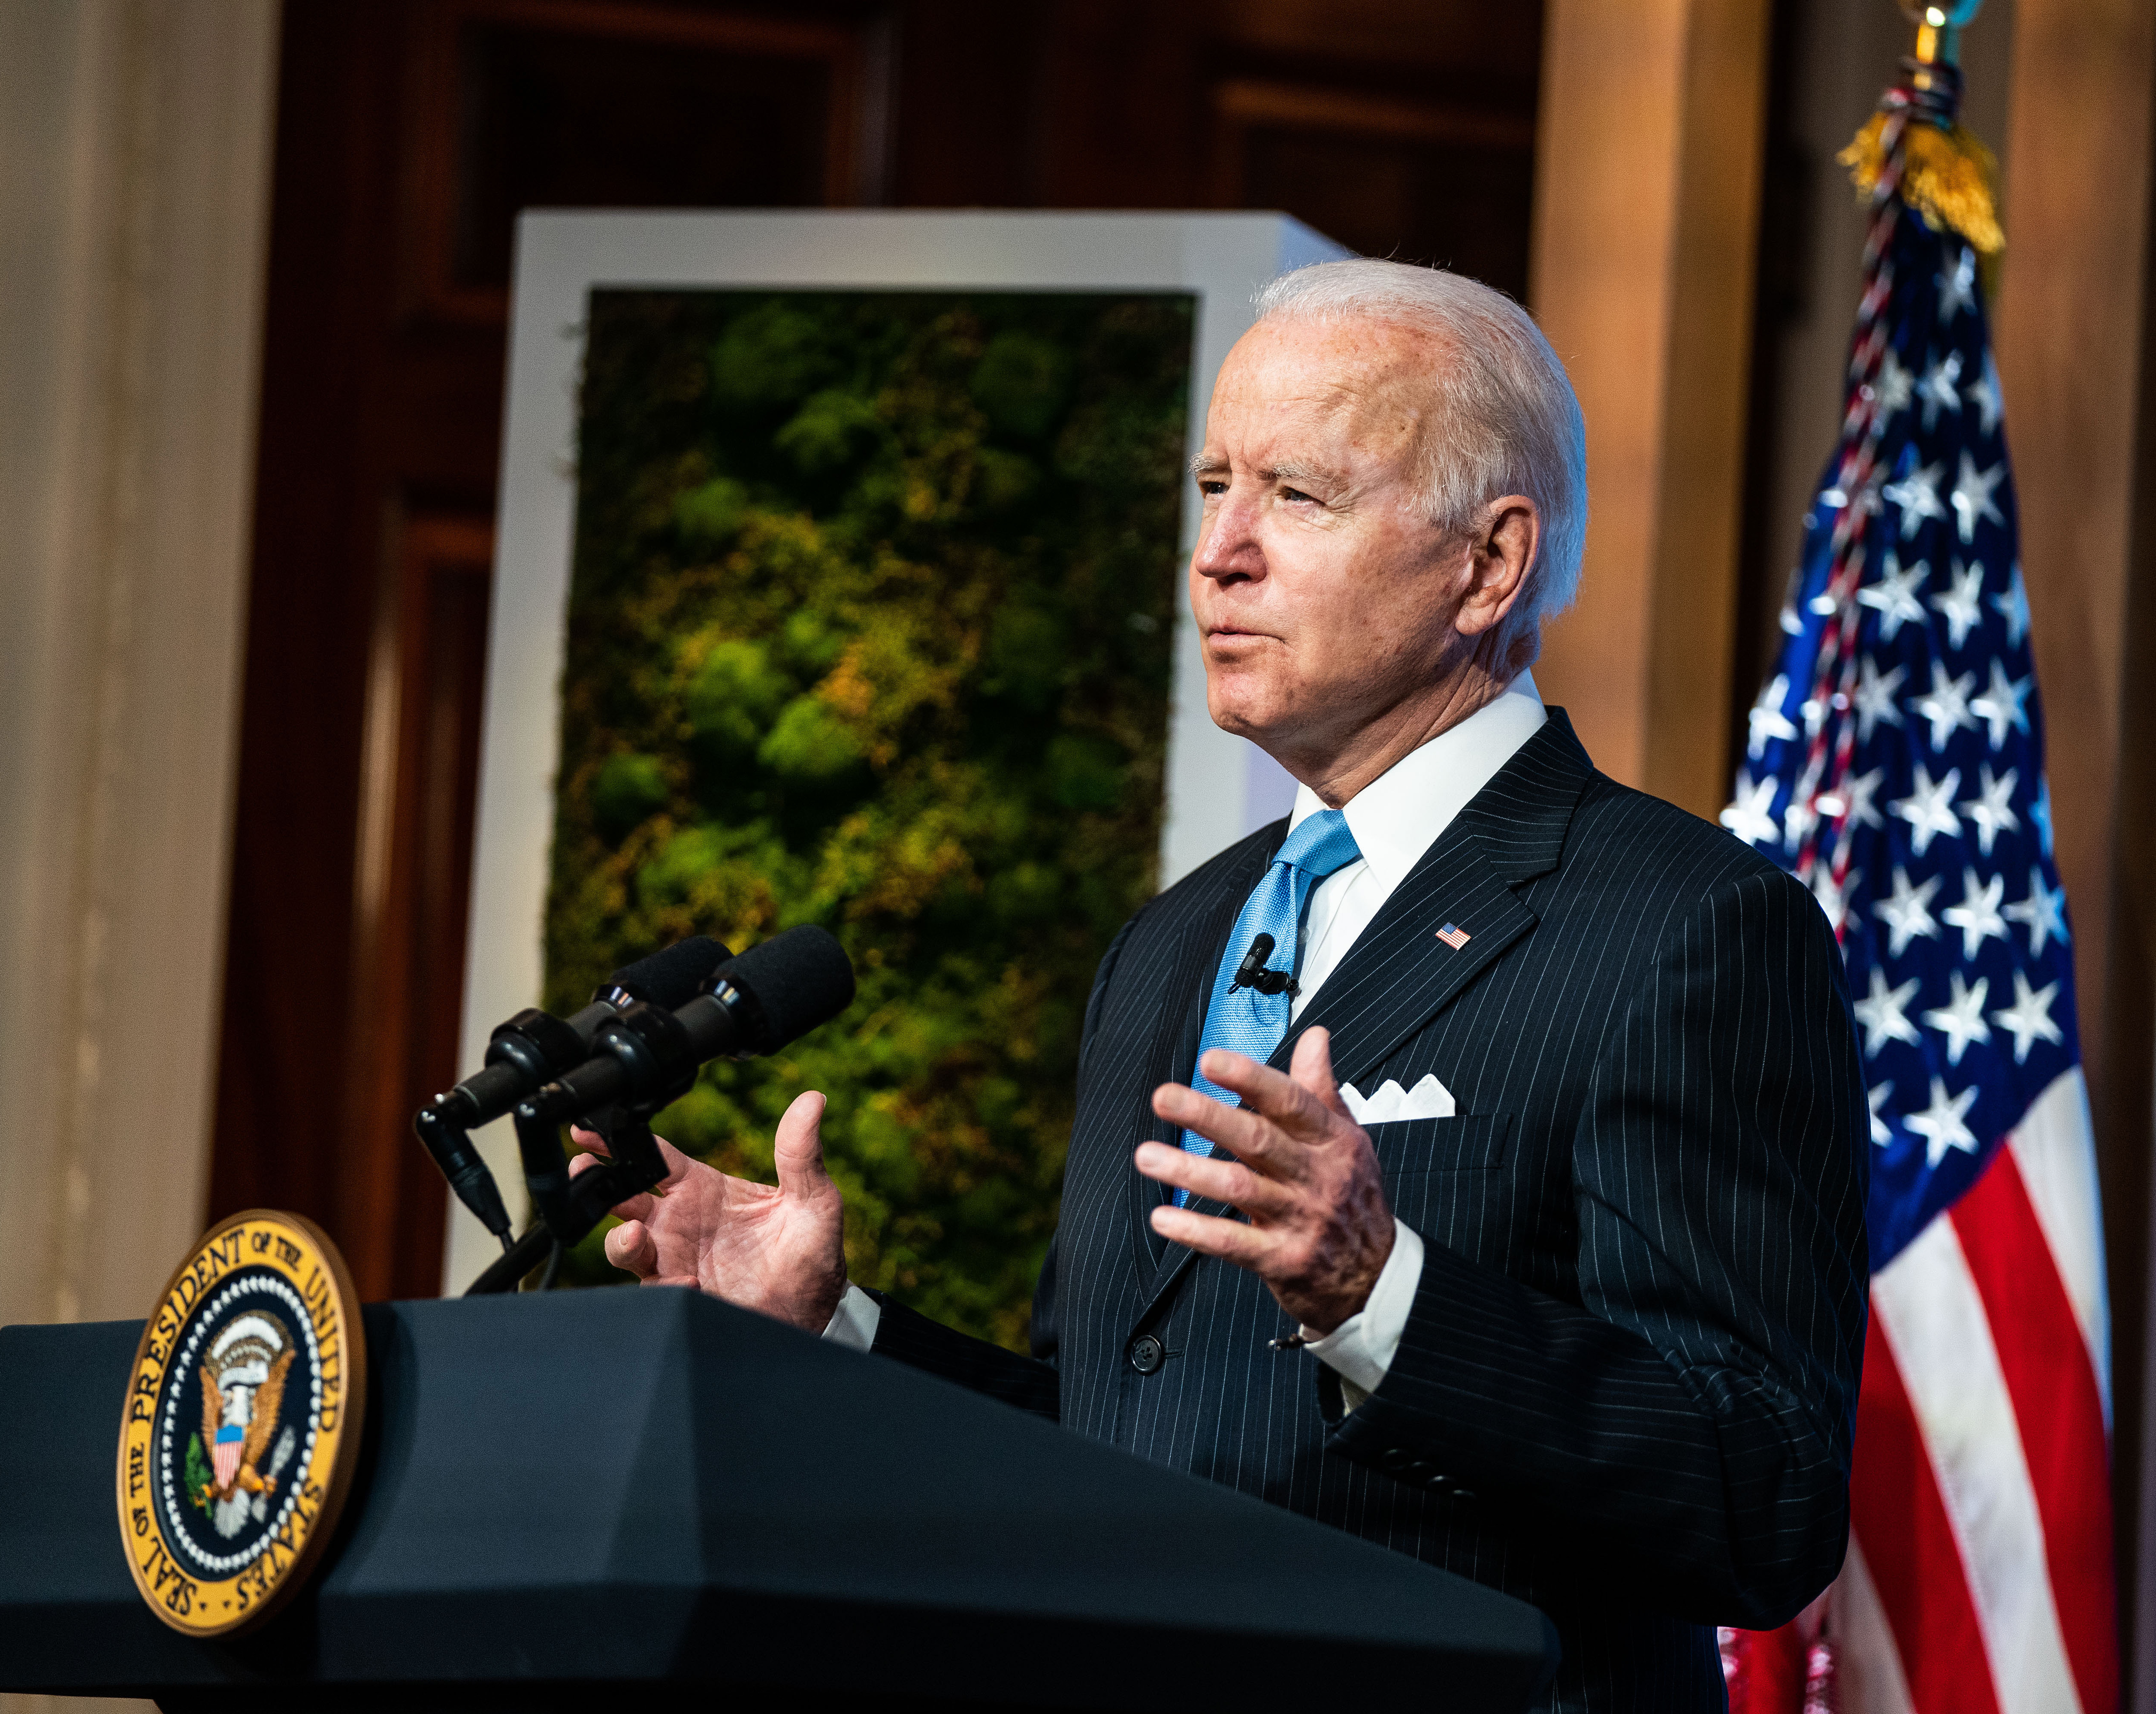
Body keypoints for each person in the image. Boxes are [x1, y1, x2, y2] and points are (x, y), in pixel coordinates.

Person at [577, 258, 1870, 1713]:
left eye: (1297, 495)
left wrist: (1387, 1294)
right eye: (1213, 484)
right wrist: (835, 1330)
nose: (1220, 552)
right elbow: (1107, 1447)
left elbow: (1764, 1495)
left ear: (1489, 564)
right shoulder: (1174, 939)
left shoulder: (1687, 924)